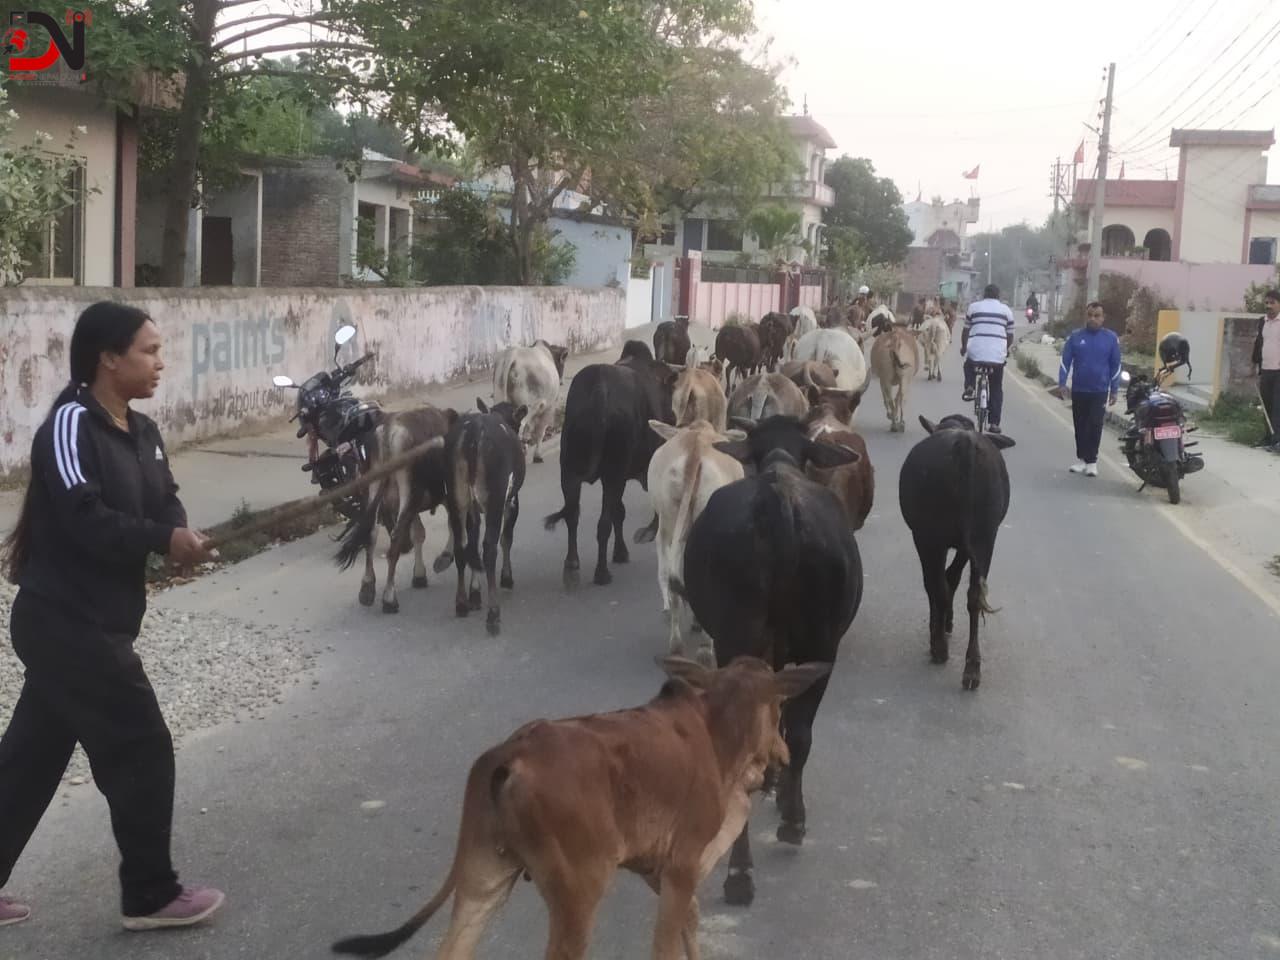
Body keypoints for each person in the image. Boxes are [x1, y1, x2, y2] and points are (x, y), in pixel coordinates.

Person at [0, 302, 224, 932]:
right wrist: (160, 539)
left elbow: (165, 501)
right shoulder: (70, 425)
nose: (160, 362)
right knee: (142, 746)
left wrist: (180, 537)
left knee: (31, 758)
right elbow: (82, 516)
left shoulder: (143, 433)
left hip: (96, 623)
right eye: (149, 350)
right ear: (108, 357)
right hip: (65, 622)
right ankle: (150, 894)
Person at [1056, 301, 1122, 477]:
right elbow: (1065, 361)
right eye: (1090, 315)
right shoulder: (1075, 337)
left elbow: (1115, 365)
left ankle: (1092, 461)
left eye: (1097, 315)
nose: (1093, 319)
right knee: (1080, 425)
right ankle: (1081, 460)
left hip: (1100, 390)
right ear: (1086, 316)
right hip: (1079, 389)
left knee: (1095, 425)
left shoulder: (1111, 338)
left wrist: (1114, 390)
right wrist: (1062, 383)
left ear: (1103, 318)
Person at [960, 283, 1015, 433]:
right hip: (997, 357)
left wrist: (964, 348)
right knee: (996, 387)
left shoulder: (973, 307)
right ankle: (994, 424)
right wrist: (1005, 349)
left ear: (984, 294)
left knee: (968, 366)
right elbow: (1010, 335)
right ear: (998, 296)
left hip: (976, 354)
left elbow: (966, 331)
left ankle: (970, 386)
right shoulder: (1006, 311)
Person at [1252, 288, 1280, 451]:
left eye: (1272, 303)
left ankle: (1277, 440)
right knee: (1267, 405)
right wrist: (1254, 364)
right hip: (1266, 369)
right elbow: (1259, 343)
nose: (1268, 306)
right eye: (1267, 302)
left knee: (1278, 407)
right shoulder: (1263, 321)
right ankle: (1268, 437)